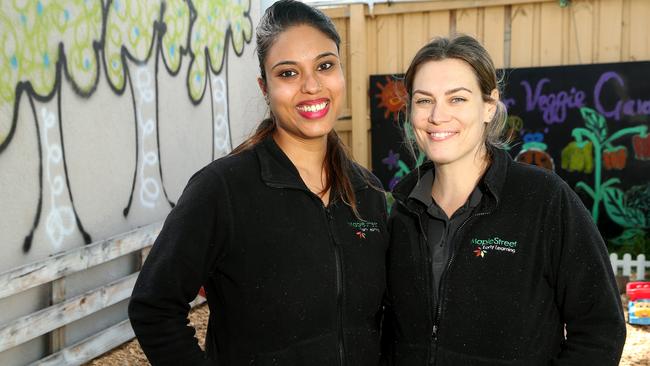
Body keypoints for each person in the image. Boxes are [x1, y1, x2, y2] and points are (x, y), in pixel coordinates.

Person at [128, 1, 388, 365]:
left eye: (325, 66)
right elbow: (153, 306)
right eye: (288, 74)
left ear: (342, 72)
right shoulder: (222, 190)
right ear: (264, 87)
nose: (312, 86)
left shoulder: (369, 194)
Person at [384, 34, 626, 365]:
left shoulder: (545, 200)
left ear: (488, 105)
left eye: (457, 99)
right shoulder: (401, 212)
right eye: (424, 100)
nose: (438, 116)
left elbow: (601, 329)